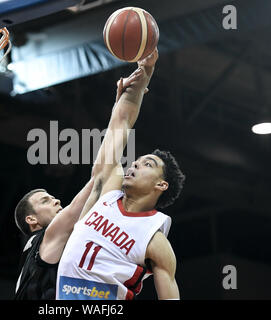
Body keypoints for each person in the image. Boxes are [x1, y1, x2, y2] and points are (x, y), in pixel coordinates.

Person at [56, 49, 186, 300]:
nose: (134, 165)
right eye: (135, 161)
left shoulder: (155, 240)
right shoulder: (105, 191)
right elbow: (121, 124)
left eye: (147, 164)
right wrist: (143, 75)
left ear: (161, 184)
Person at [13, 63, 148, 300]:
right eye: (45, 200)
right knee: (107, 171)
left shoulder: (48, 252)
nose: (55, 199)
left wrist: (124, 101)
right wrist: (126, 97)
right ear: (32, 220)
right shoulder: (49, 235)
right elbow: (101, 174)